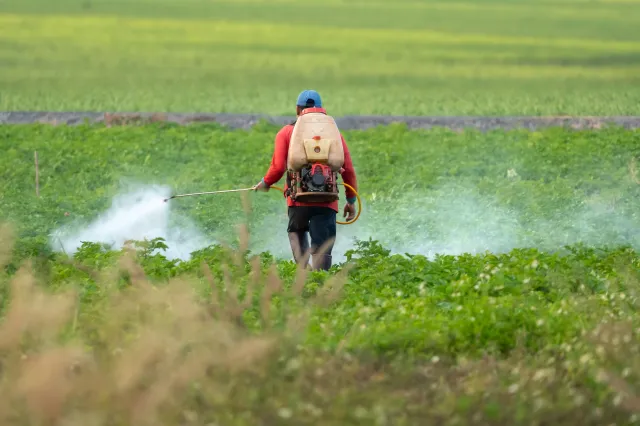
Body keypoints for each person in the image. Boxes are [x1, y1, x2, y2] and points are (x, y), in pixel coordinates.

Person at [253, 89, 358, 271]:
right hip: (327, 200)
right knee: (322, 246)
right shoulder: (334, 135)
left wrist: (265, 183)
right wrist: (350, 201)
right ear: (321, 110)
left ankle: (303, 274)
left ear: (297, 109)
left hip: (297, 200)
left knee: (296, 231)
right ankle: (321, 282)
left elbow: (278, 168)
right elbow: (347, 169)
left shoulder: (286, 133)